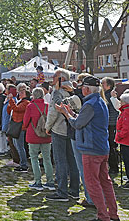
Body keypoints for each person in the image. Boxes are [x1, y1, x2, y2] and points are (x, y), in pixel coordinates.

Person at [57, 75, 119, 221]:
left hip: (91, 148)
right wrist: (71, 113)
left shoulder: (90, 104)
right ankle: (113, 215)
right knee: (105, 182)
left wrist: (66, 114)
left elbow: (78, 124)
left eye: (82, 88)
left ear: (86, 89)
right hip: (101, 147)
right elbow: (83, 120)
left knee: (92, 184)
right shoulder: (100, 101)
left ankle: (103, 216)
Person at [45, 71, 79, 202]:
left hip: (59, 129)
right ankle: (74, 190)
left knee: (60, 161)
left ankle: (62, 191)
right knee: (72, 161)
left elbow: (53, 112)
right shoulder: (72, 91)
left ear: (61, 79)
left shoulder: (57, 92)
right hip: (71, 129)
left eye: (54, 76)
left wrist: (48, 127)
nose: (52, 79)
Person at [23, 87, 54, 191]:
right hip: (46, 135)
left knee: (34, 158)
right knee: (47, 159)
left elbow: (26, 121)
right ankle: (50, 181)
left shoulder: (31, 106)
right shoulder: (47, 106)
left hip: (33, 135)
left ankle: (38, 181)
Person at [7, 83, 30, 172]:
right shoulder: (21, 102)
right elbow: (11, 110)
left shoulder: (26, 103)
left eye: (22, 93)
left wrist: (11, 100)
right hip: (16, 125)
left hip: (20, 126)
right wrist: (10, 103)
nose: (19, 94)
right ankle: (21, 163)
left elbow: (17, 109)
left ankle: (24, 165)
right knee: (17, 146)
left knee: (20, 147)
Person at [101, 77, 120, 174]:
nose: (101, 85)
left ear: (108, 85)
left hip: (111, 123)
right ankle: (113, 165)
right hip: (110, 123)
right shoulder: (107, 94)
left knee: (111, 145)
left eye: (103, 84)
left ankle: (114, 166)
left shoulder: (109, 95)